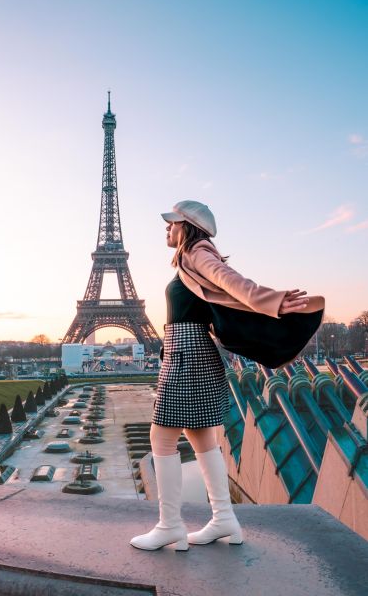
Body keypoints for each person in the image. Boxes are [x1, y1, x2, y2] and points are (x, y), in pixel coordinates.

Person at [129, 200, 325, 552]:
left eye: (172, 221)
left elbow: (230, 281)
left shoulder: (196, 251)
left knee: (161, 438)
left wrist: (274, 300)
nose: (167, 227)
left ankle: (170, 525)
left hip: (188, 353)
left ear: (187, 226)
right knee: (202, 438)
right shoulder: (190, 258)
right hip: (193, 352)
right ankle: (224, 519)